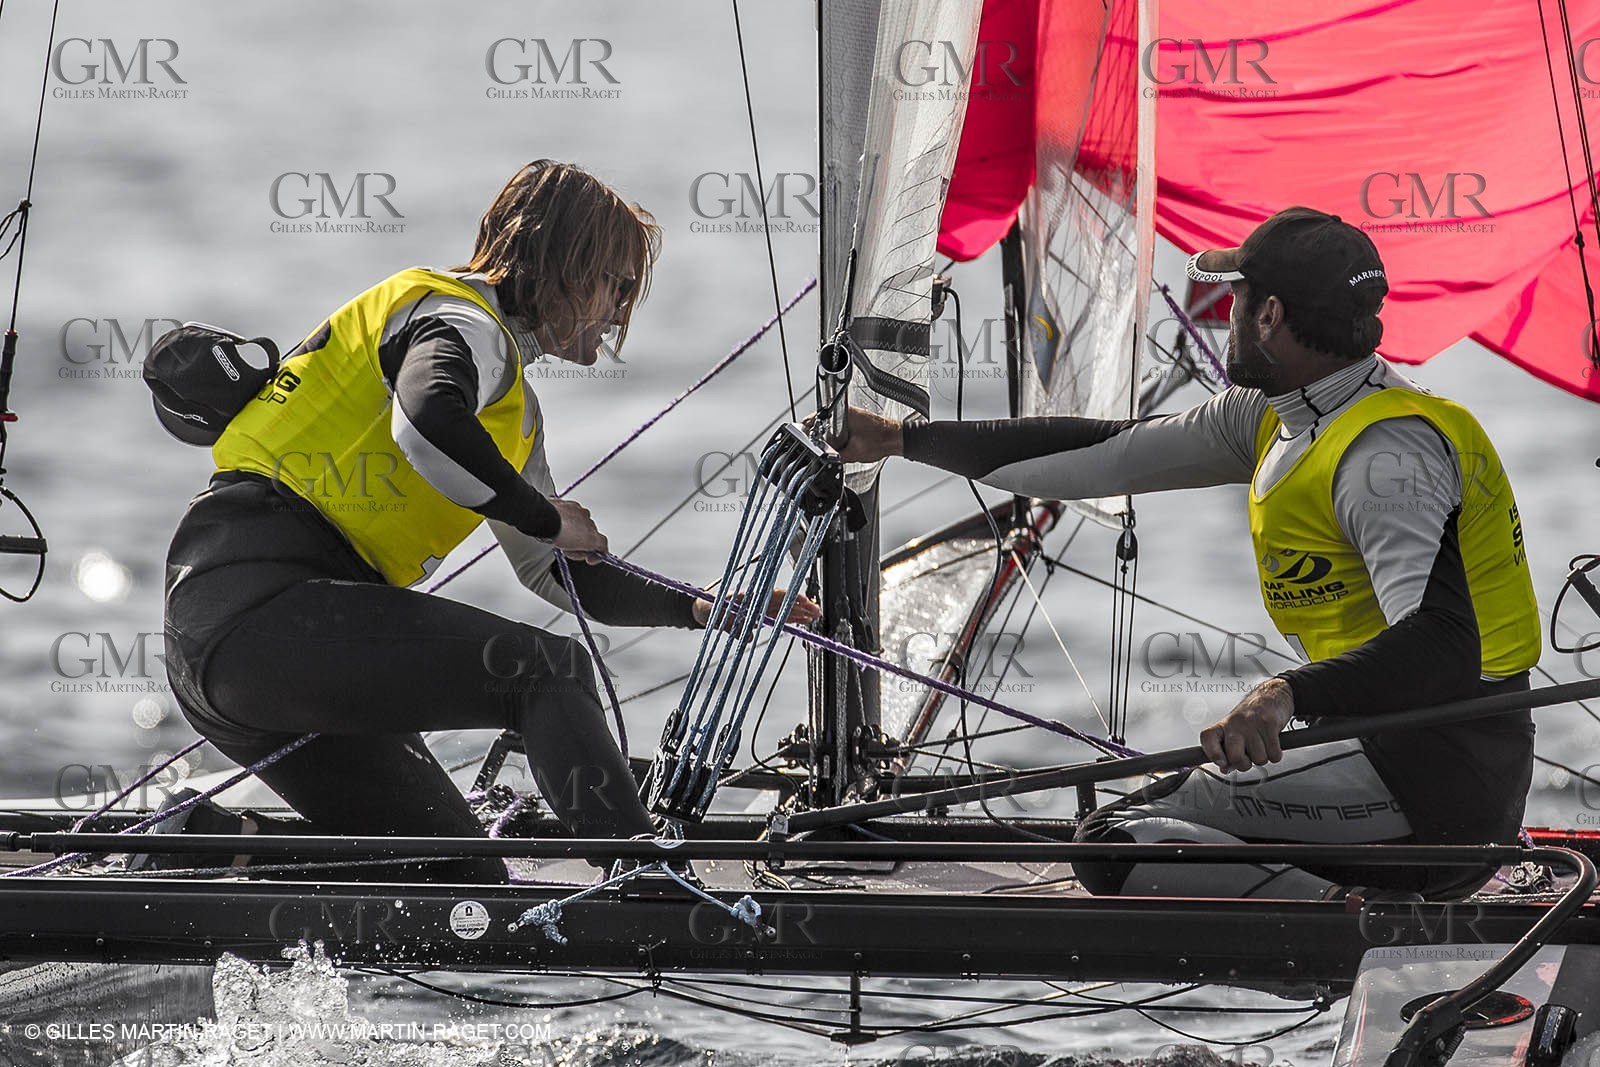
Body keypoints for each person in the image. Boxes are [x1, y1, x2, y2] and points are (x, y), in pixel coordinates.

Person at [831, 207, 1540, 900]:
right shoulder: (1277, 413)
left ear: (1269, 317)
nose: (1222, 313)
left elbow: (1442, 649)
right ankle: (1347, 907)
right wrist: (900, 440)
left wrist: (1281, 693)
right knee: (1140, 823)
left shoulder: (1383, 455)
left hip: (1439, 783)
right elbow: (1109, 454)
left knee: (1118, 842)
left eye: (1235, 297)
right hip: (1376, 756)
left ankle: (1357, 927)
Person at [161, 160, 817, 883]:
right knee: (547, 672)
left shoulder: (512, 413)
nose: (624, 306)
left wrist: (701, 607)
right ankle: (645, 881)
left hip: (262, 648)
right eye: (617, 282)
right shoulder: (460, 319)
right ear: (561, 266)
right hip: (257, 611)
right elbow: (425, 421)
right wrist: (542, 514)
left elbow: (556, 571)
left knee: (459, 872)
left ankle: (206, 845)